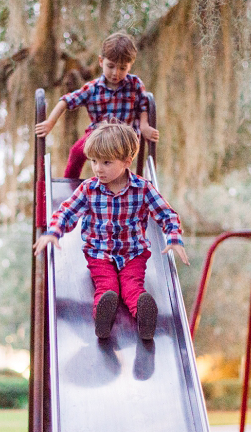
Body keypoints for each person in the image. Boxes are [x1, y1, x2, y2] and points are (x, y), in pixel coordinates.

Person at [33, 123, 188, 340]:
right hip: (99, 253)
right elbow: (67, 211)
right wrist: (53, 232)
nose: (98, 168)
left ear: (127, 161)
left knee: (132, 285)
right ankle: (103, 317)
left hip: (133, 253)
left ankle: (144, 315)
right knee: (107, 286)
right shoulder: (89, 188)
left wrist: (173, 238)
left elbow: (166, 214)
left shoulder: (143, 188)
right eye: (94, 161)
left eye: (106, 162)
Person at [35, 32, 159, 179]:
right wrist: (50, 123)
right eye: (111, 66)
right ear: (101, 61)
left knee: (116, 162)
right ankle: (70, 185)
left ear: (130, 66)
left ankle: (119, 186)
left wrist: (144, 126)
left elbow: (143, 105)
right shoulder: (93, 88)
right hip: (97, 134)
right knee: (76, 152)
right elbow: (66, 101)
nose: (116, 73)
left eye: (122, 68)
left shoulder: (135, 84)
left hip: (124, 138)